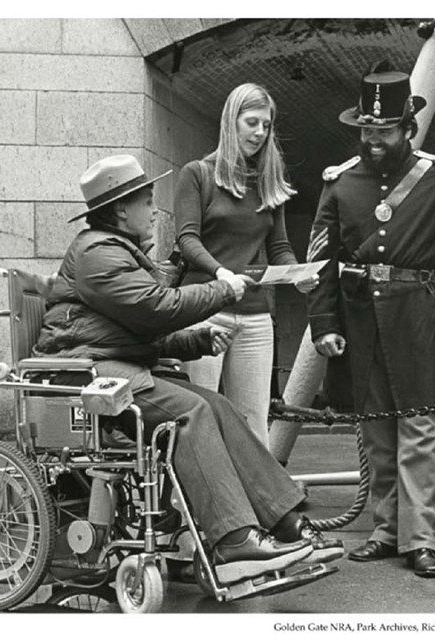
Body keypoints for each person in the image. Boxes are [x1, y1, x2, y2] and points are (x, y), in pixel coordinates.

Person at [33, 154, 343, 584]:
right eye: (147, 201)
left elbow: (135, 330)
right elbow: (157, 311)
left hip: (111, 363)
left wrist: (197, 340)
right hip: (84, 373)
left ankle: (284, 520)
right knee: (190, 412)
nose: (155, 211)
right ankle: (234, 540)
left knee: (216, 406)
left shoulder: (115, 252)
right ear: (121, 209)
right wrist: (222, 288)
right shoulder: (97, 254)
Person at [306, 62, 435, 579]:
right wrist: (324, 323)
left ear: (408, 129)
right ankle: (385, 530)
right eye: (367, 131)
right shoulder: (339, 184)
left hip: (417, 318)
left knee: (420, 431)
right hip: (360, 322)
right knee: (376, 429)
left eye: (384, 131)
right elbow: (320, 264)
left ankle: (422, 540)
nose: (373, 141)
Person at [174, 83, 318, 447]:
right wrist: (221, 274)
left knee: (254, 420)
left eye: (266, 125)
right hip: (204, 309)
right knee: (197, 415)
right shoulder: (197, 174)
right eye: (251, 122)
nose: (259, 133)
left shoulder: (268, 180)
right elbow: (187, 240)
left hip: (255, 315)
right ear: (231, 122)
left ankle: (261, 503)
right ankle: (189, 499)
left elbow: (279, 246)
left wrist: (297, 275)